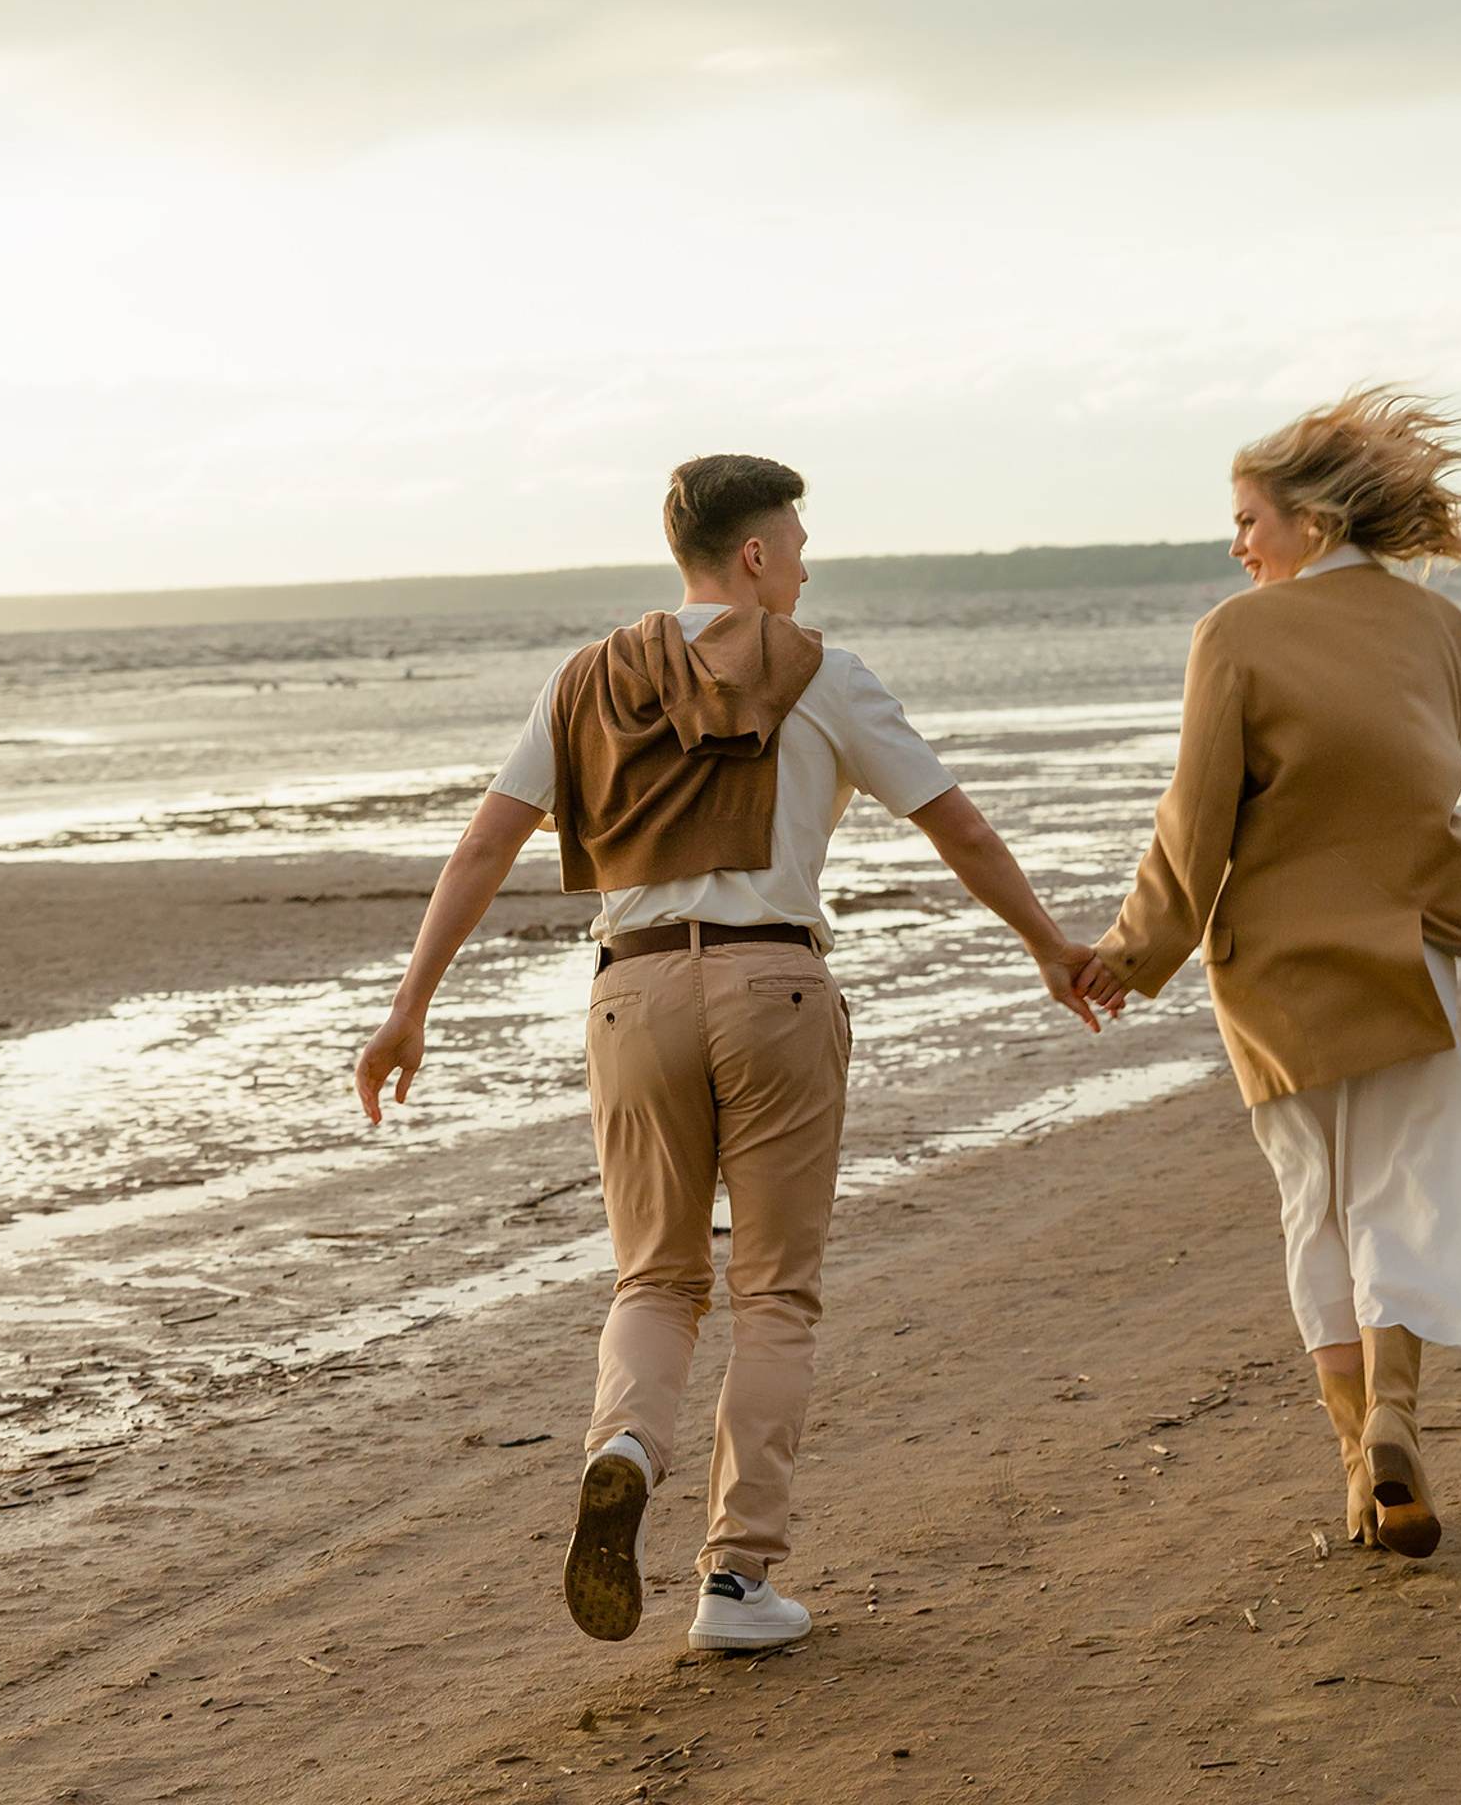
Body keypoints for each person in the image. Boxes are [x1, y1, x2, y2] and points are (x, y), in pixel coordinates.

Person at [354, 454, 1099, 1651]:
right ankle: (736, 1582)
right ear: (752, 554)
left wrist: (409, 1007)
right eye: (795, 543)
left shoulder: (584, 681)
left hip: (631, 991)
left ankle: (625, 1446)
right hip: (772, 986)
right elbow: (953, 824)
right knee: (774, 1294)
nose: (804, 564)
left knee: (654, 1277)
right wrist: (1050, 945)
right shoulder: (824, 677)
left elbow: (483, 848)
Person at [1076, 391, 1461, 1558]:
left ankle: (1358, 1460)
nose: (1236, 544)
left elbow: (1192, 833)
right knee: (1410, 1186)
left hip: (1276, 977)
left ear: (1308, 517)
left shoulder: (1234, 636)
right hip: (1406, 953)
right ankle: (1396, 1412)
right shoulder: (1442, 631)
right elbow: (1426, 784)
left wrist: (1126, 955)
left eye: (1246, 519)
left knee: (1320, 1208)